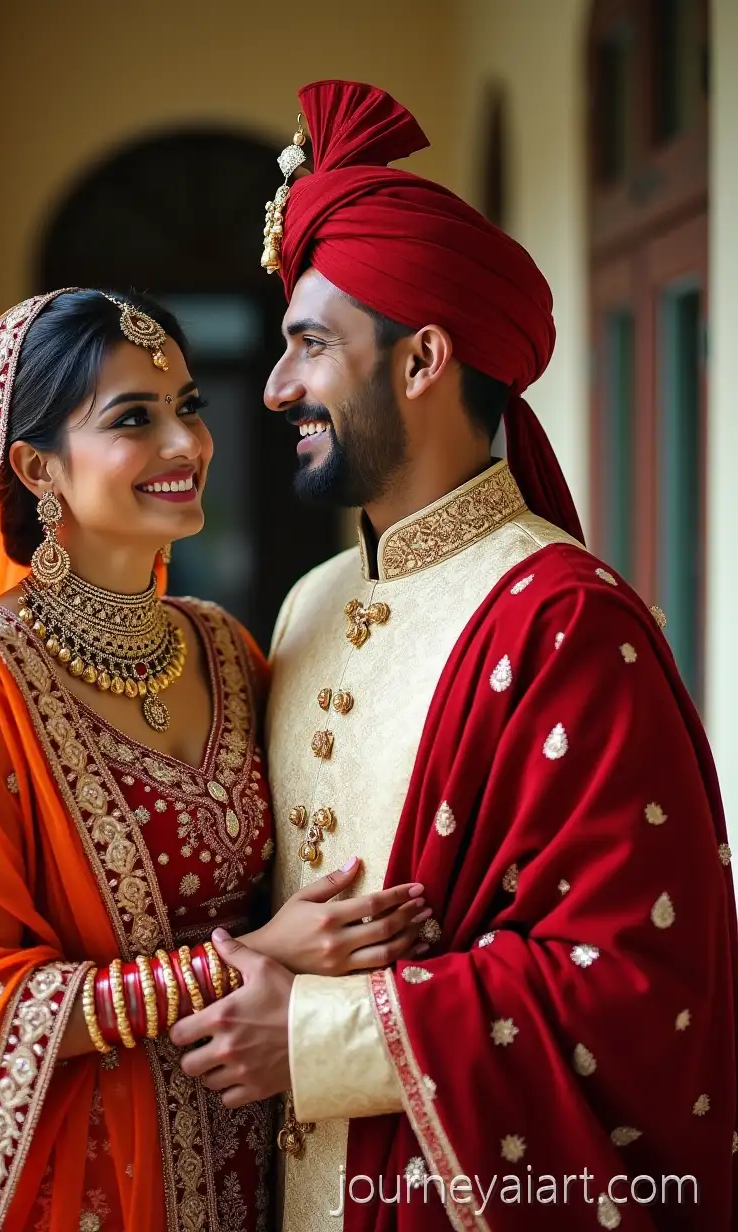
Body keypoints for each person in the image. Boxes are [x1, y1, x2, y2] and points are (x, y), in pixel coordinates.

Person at [169, 82, 738, 1229]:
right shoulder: (307, 603)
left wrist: (317, 1035)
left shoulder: (564, 620)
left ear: (423, 357)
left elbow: (631, 980)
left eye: (310, 345)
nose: (277, 387)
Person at [0, 288, 432, 1231]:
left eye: (188, 407)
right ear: (36, 466)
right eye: (133, 419)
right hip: (63, 1181)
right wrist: (255, 961)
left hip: (249, 1165)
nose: (185, 445)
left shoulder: (225, 650)